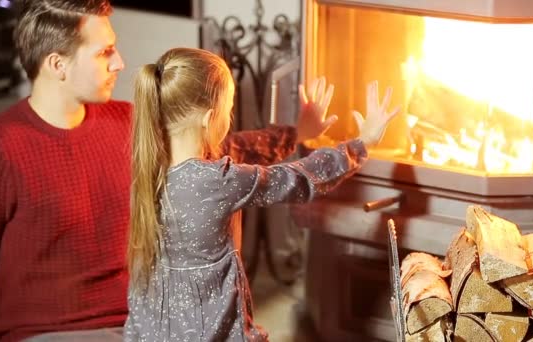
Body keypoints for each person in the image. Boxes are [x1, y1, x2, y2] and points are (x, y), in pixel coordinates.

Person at [0, 0, 344, 341]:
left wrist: (297, 133)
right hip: (54, 334)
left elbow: (222, 152)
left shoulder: (131, 124)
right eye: (105, 52)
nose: (120, 63)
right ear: (57, 64)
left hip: (142, 323)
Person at [123, 48, 399, 341]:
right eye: (229, 109)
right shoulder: (216, 181)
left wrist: (297, 132)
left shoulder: (152, 163)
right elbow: (297, 179)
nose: (230, 118)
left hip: (154, 330)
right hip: (207, 331)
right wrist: (361, 143)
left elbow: (240, 145)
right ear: (209, 118)